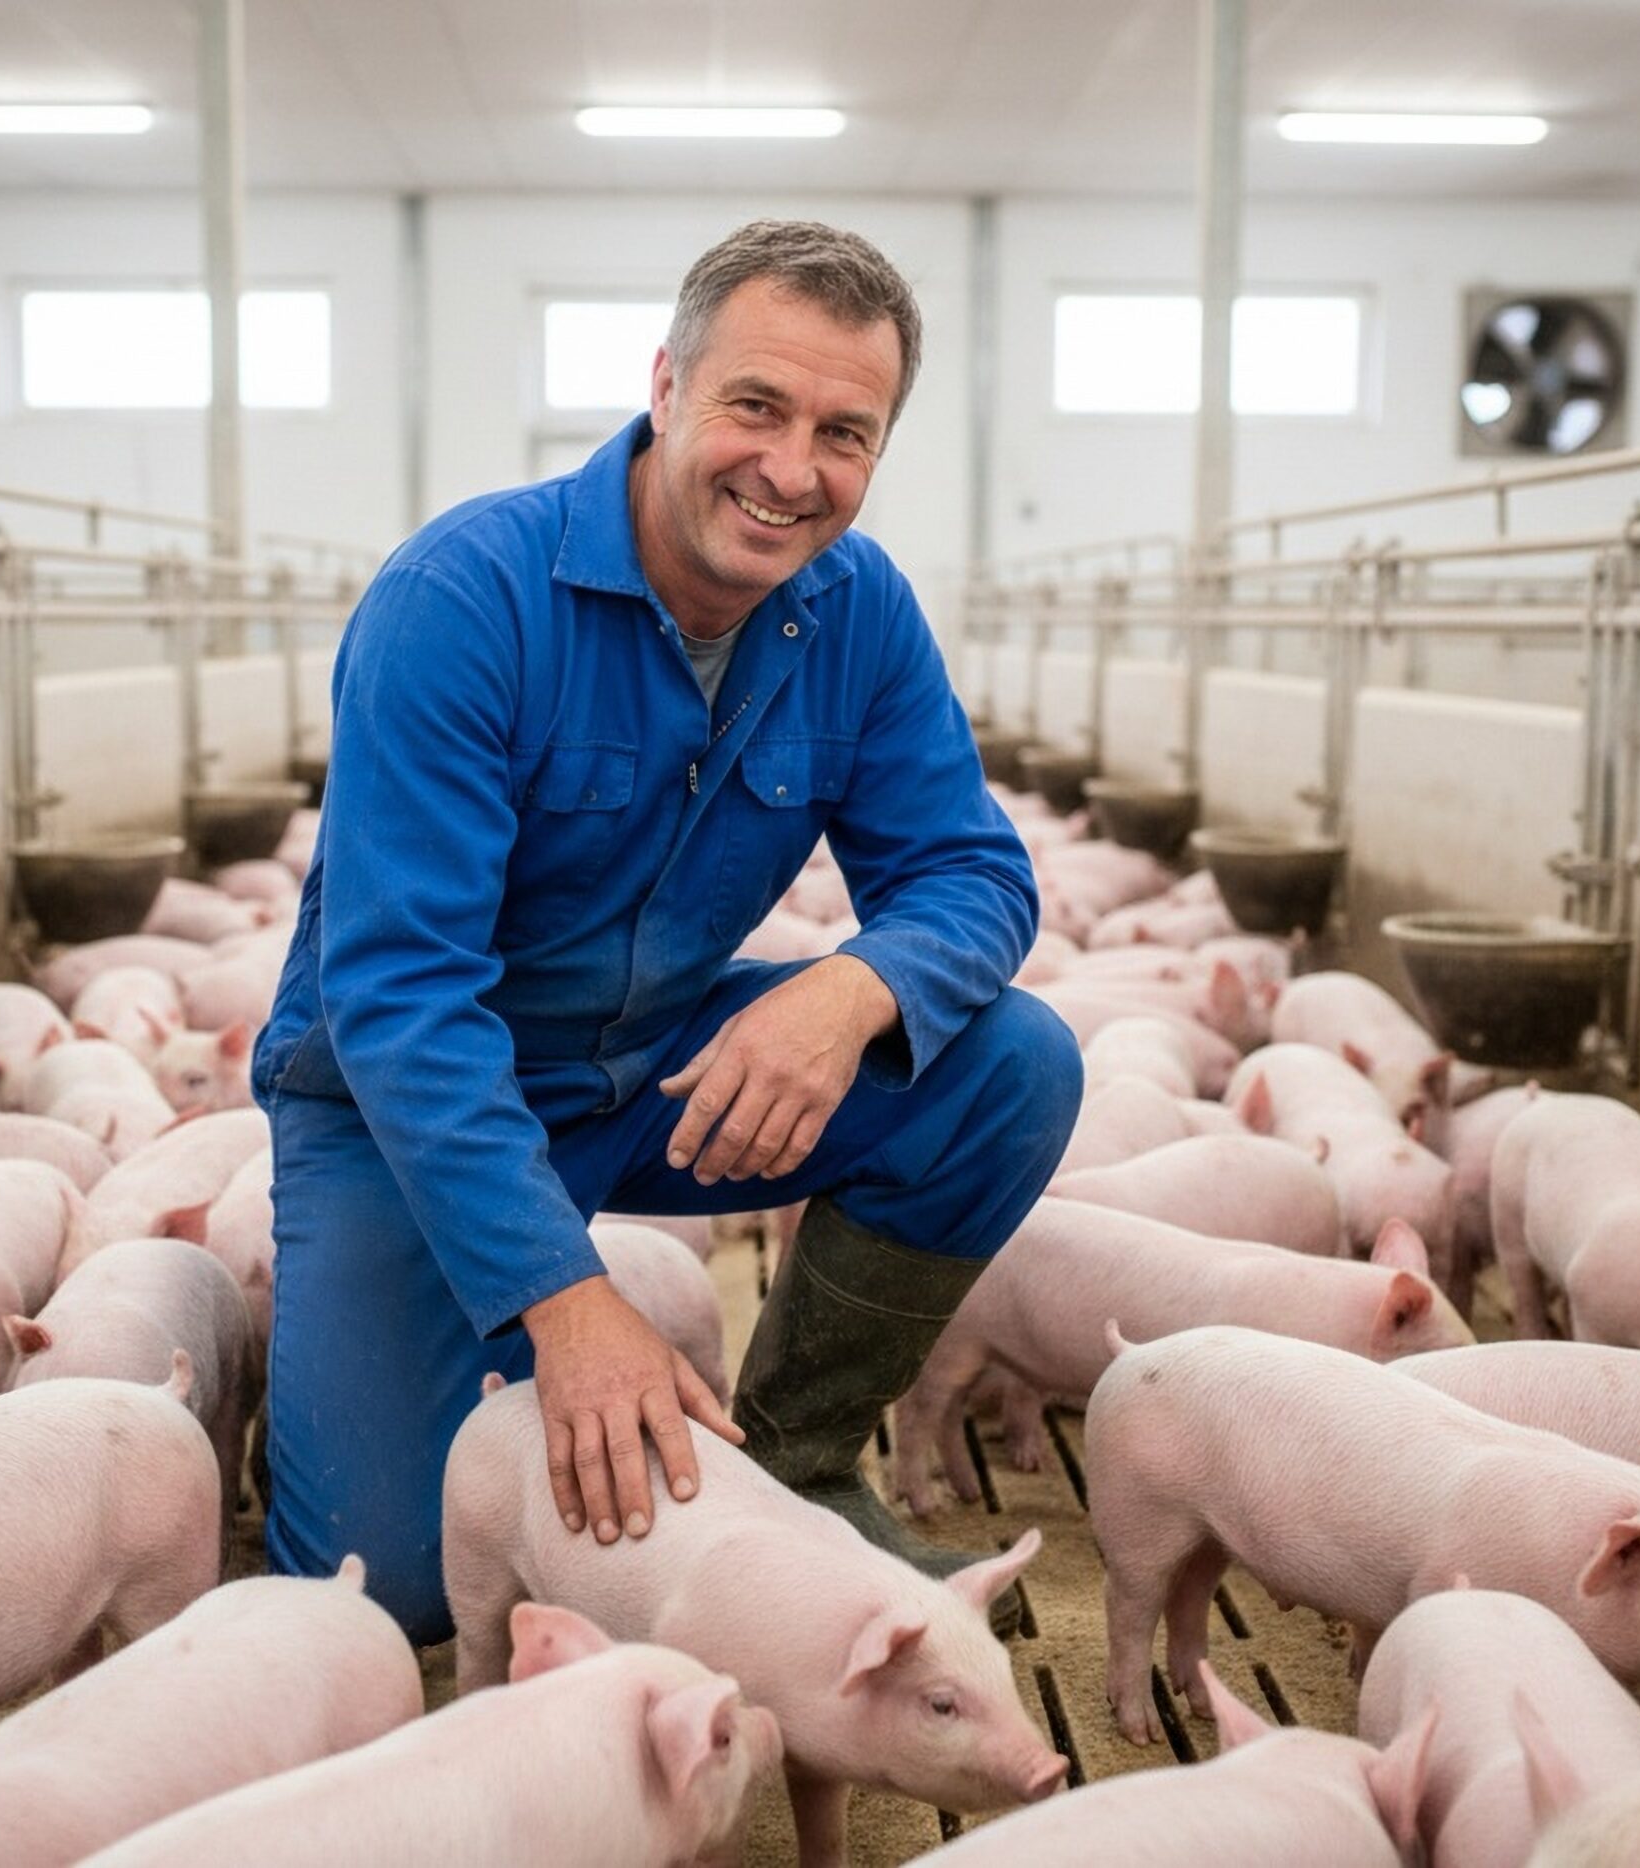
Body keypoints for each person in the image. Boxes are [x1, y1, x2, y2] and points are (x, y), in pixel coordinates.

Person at [251, 219, 1079, 1643]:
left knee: (1011, 1063)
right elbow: (396, 996)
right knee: (387, 1595)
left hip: (652, 1081)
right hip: (415, 1113)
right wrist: (562, 1300)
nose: (791, 468)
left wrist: (856, 990)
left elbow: (975, 874)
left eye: (845, 432)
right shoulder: (463, 600)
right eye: (757, 405)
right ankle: (332, 1384)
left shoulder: (858, 612)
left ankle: (805, 1462)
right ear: (668, 387)